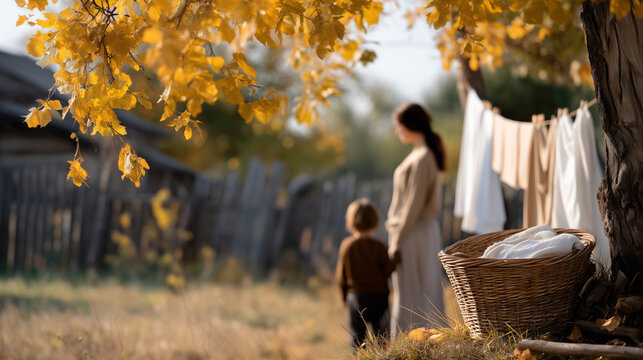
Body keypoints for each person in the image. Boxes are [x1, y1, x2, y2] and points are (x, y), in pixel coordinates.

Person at [386, 103, 446, 335]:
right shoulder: (419, 155)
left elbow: (414, 204)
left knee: (417, 290)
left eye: (398, 126)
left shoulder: (423, 158)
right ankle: (414, 342)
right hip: (412, 231)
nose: (397, 131)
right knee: (411, 290)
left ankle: (420, 342)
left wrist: (397, 239)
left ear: (409, 125)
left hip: (415, 232)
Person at [335, 198, 396, 348]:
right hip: (379, 296)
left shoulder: (347, 246)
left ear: (351, 221)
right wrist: (396, 256)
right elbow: (389, 269)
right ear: (374, 221)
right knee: (382, 338)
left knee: (357, 337)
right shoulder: (380, 247)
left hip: (356, 297)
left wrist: (344, 297)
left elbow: (340, 276)